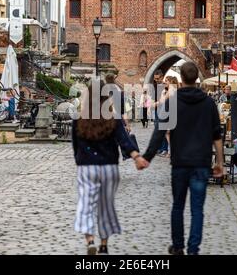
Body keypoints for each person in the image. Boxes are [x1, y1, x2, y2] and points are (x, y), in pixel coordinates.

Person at [140, 62, 224, 255]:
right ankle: (193, 249)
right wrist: (219, 163)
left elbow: (160, 132)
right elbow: (216, 136)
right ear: (196, 79)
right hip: (201, 163)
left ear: (182, 78)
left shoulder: (172, 102)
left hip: (180, 163)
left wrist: (147, 157)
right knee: (197, 209)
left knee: (178, 206)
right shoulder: (209, 103)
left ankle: (178, 247)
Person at [72, 80, 148, 255]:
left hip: (87, 167)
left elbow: (75, 145)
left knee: (85, 204)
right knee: (105, 206)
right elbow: (124, 141)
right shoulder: (113, 118)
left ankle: (90, 240)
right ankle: (104, 245)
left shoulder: (79, 119)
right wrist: (136, 157)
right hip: (108, 167)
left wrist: (80, 161)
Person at [152, 69, 169, 155]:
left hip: (163, 110)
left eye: (157, 78)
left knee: (163, 130)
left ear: (162, 77)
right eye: (155, 78)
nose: (156, 80)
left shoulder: (165, 86)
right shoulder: (154, 85)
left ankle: (165, 148)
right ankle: (159, 148)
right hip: (156, 110)